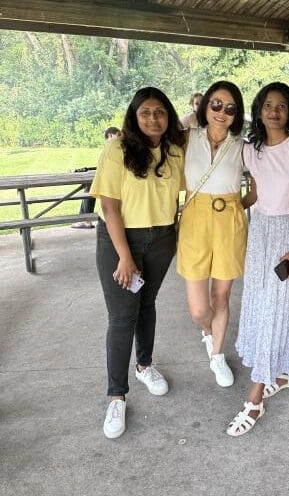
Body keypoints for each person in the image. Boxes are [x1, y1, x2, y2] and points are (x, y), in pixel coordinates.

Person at [89, 87, 185, 439]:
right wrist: (125, 257)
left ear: (168, 116)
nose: (153, 118)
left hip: (160, 239)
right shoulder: (116, 150)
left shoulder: (174, 150)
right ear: (134, 115)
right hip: (120, 240)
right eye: (145, 112)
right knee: (122, 317)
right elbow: (110, 207)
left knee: (147, 305)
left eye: (160, 112)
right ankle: (117, 394)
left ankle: (144, 365)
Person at [227, 82, 289, 436]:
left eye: (281, 105)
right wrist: (228, 210)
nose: (274, 111)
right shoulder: (251, 150)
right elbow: (257, 191)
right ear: (258, 111)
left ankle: (255, 398)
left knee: (285, 306)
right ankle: (284, 371)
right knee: (263, 307)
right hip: (260, 233)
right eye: (267, 105)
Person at [177, 81, 246, 387]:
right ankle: (206, 330)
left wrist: (238, 206)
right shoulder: (188, 137)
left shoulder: (242, 144)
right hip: (195, 218)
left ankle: (217, 355)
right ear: (204, 106)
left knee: (221, 295)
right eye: (216, 104)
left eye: (230, 108)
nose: (222, 112)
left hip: (229, 218)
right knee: (198, 308)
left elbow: (260, 183)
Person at [72, 127, 122, 229]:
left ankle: (85, 219)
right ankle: (85, 218)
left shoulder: (116, 146)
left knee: (90, 186)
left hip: (118, 187)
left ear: (111, 136)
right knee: (89, 186)